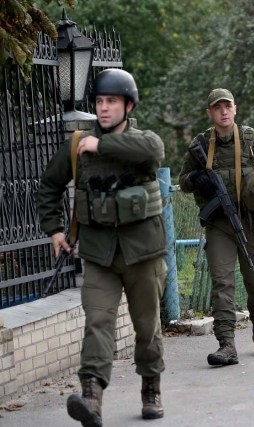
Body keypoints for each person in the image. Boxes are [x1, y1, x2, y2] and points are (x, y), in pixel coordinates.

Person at [38, 69, 167, 425]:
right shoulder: (78, 146)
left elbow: (154, 150)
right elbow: (48, 185)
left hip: (143, 253)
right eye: (99, 101)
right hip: (98, 254)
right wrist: (53, 230)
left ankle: (151, 387)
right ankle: (91, 398)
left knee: (147, 327)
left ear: (128, 105)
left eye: (111, 101)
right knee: (97, 323)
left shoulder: (142, 142)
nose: (104, 108)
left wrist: (103, 144)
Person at [179, 88, 254, 366]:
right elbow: (183, 181)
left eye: (227, 106)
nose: (223, 112)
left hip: (251, 222)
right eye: (217, 108)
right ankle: (226, 344)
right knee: (222, 283)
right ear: (210, 113)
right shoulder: (201, 144)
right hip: (219, 225)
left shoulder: (252, 139)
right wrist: (196, 179)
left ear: (235, 109)